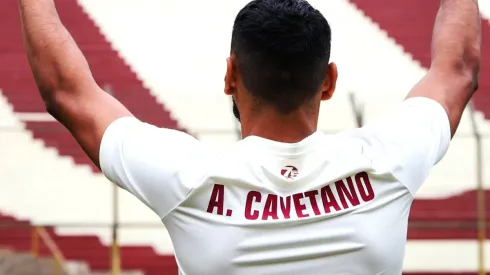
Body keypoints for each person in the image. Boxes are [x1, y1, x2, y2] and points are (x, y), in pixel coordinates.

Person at [18, 0, 480, 274]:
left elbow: (66, 90)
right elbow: (457, 70)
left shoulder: (189, 179)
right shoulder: (388, 162)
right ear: (329, 80)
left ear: (229, 75)